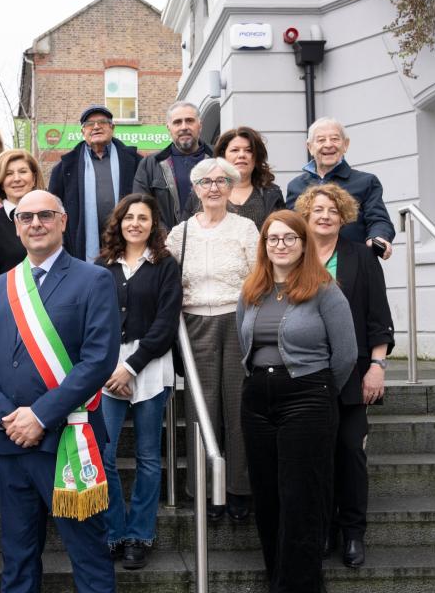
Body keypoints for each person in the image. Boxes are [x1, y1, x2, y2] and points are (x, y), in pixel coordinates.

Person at [0, 190, 120, 593]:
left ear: (63, 221)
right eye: (26, 217)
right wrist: (9, 417)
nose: (35, 223)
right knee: (17, 560)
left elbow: (98, 361)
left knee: (88, 557)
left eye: (45, 215)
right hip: (11, 443)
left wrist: (38, 416)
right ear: (16, 227)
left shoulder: (94, 280)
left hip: (68, 441)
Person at [236, 209, 357, 593]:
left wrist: (316, 391)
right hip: (257, 398)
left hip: (307, 397)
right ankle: (278, 579)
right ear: (264, 245)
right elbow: (244, 344)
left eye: (290, 238)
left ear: (304, 244)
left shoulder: (325, 289)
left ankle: (299, 586)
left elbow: (346, 354)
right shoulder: (252, 289)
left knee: (300, 498)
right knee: (268, 497)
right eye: (273, 238)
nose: (281, 245)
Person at [295, 183, 394, 569]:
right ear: (306, 213)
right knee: (313, 455)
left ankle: (352, 531)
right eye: (317, 209)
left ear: (344, 217)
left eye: (332, 210)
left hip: (353, 374)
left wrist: (377, 366)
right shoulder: (294, 254)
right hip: (305, 376)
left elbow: (378, 317)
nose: (324, 215)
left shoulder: (360, 257)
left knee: (350, 450)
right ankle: (321, 529)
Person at [165, 158, 259, 520]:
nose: (214, 187)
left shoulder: (246, 228)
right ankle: (204, 489)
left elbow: (258, 277)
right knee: (200, 410)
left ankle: (237, 489)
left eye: (222, 180)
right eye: (206, 181)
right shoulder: (181, 232)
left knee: (237, 408)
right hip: (193, 326)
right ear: (196, 188)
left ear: (231, 186)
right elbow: (168, 280)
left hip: (236, 321)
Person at [96, 193, 182, 569]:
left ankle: (139, 535)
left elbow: (166, 324)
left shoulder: (165, 265)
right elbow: (93, 323)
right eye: (128, 217)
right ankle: (113, 532)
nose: (135, 223)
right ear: (119, 222)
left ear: (153, 224)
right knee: (105, 454)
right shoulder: (102, 267)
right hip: (106, 370)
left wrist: (130, 367)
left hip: (148, 367)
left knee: (148, 457)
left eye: (143, 218)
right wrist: (111, 369)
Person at [285, 116, 396, 259]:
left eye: (335, 139)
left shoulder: (366, 182)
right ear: (310, 147)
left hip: (351, 263)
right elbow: (290, 226)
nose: (328, 144)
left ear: (346, 144)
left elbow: (378, 220)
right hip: (307, 265)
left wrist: (379, 237)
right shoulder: (295, 186)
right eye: (321, 140)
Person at [48, 105, 141, 261]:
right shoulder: (65, 168)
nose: (96, 127)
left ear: (112, 128)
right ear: (83, 132)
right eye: (90, 124)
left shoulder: (135, 161)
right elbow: (53, 209)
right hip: (81, 249)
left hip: (129, 242)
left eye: (103, 122)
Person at [0, 149, 42, 303]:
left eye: (23, 172)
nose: (16, 179)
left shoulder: (51, 217)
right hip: (9, 308)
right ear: (1, 182)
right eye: (9, 173)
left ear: (34, 178)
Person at [133, 101, 213, 231]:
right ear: (169, 128)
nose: (184, 127)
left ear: (200, 125)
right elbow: (142, 207)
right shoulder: (150, 164)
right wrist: (167, 237)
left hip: (211, 241)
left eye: (189, 121)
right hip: (166, 244)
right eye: (177, 122)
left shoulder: (219, 160)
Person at [214, 127, 286, 229]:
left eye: (249, 150)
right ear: (223, 156)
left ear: (256, 158)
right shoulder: (205, 190)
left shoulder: (272, 193)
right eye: (235, 150)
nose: (242, 155)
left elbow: (282, 231)